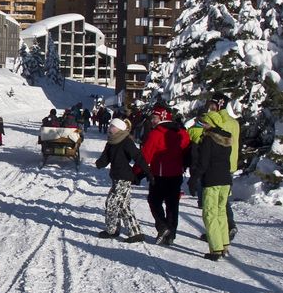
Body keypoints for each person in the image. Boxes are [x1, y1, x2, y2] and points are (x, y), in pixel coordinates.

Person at [139, 104, 191, 245]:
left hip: (160, 174)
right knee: (172, 204)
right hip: (176, 174)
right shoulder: (181, 132)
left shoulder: (156, 133)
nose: (153, 120)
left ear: (162, 118)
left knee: (154, 200)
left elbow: (145, 155)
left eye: (155, 117)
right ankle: (171, 234)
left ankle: (162, 227)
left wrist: (137, 172)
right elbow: (187, 148)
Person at [96, 117, 152, 243]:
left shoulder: (126, 141)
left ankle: (115, 230)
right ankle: (130, 232)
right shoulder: (110, 142)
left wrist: (148, 172)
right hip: (116, 177)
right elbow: (105, 158)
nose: (110, 128)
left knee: (113, 203)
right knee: (122, 206)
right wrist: (99, 163)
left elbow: (138, 156)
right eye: (110, 126)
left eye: (112, 126)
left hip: (124, 178)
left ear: (119, 129)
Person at [198, 93, 241, 239]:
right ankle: (224, 229)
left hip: (218, 163)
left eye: (212, 104)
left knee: (214, 204)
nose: (210, 107)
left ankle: (225, 228)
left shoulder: (218, 122)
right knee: (223, 200)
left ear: (218, 105)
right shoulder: (234, 122)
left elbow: (213, 139)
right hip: (231, 163)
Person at [189, 121, 233, 261]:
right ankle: (224, 243)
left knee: (210, 214)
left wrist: (194, 178)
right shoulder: (226, 139)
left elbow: (203, 163)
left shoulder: (208, 140)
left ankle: (216, 248)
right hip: (226, 180)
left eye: (203, 123)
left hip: (212, 181)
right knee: (221, 212)